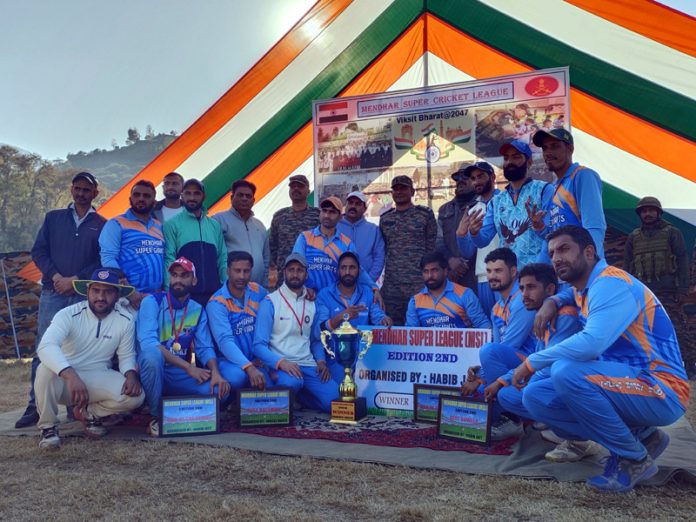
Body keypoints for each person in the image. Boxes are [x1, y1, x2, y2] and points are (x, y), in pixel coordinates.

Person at [513, 225, 689, 493]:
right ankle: (643, 437)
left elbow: (591, 343)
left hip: (662, 388)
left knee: (565, 372)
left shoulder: (610, 283)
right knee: (535, 396)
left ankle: (634, 458)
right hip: (626, 383)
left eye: (564, 249)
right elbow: (568, 294)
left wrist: (531, 362)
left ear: (589, 251)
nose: (556, 258)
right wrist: (553, 301)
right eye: (551, 253)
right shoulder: (584, 288)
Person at [16, 172, 106, 429]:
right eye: (77, 188)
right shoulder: (53, 218)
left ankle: (73, 407)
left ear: (95, 193)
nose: (81, 193)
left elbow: (100, 260)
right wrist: (56, 276)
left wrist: (75, 279)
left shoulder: (101, 223)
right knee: (45, 347)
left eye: (86, 190)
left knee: (76, 349)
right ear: (71, 190)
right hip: (52, 292)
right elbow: (39, 252)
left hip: (81, 295)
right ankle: (35, 407)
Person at [491, 263, 598, 463]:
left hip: (579, 383)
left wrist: (522, 379)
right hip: (556, 379)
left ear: (549, 289)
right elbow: (537, 356)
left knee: (531, 393)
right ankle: (559, 426)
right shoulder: (543, 315)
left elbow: (549, 364)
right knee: (506, 394)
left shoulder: (564, 314)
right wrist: (501, 381)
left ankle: (580, 439)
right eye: (521, 288)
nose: (524, 294)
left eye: (531, 287)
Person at [35, 268, 145, 449]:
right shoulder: (68, 314)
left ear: (117, 295)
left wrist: (131, 374)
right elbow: (45, 346)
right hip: (65, 381)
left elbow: (126, 356)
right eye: (96, 290)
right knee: (45, 369)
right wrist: (70, 375)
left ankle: (90, 414)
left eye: (108, 291)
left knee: (136, 397)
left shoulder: (126, 319)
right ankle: (48, 428)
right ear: (87, 292)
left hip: (97, 376)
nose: (100, 297)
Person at [137, 257, 231, 436]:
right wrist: (189, 367)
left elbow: (205, 348)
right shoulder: (152, 301)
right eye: (174, 275)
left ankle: (176, 406)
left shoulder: (197, 309)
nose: (178, 280)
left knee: (220, 390)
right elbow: (150, 344)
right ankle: (157, 416)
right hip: (150, 369)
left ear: (194, 280)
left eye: (184, 275)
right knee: (151, 356)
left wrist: (216, 373)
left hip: (177, 373)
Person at [461, 248, 536, 440]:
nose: (492, 276)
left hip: (533, 366)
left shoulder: (522, 300)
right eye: (489, 271)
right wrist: (479, 374)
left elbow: (508, 347)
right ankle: (510, 419)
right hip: (512, 364)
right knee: (474, 390)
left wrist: (480, 376)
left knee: (487, 354)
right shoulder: (496, 307)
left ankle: (511, 419)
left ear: (513, 272)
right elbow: (498, 348)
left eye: (498, 271)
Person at [252, 253, 338, 412]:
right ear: (284, 272)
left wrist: (321, 362)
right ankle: (292, 393)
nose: (295, 274)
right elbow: (258, 346)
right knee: (292, 383)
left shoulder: (313, 302)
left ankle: (300, 399)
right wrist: (281, 363)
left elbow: (315, 339)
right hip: (282, 365)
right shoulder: (270, 302)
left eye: (299, 270)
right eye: (291, 270)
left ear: (306, 274)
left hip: (308, 364)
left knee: (334, 401)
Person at [463, 140, 552, 269]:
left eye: (516, 157)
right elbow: (483, 241)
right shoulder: (496, 201)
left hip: (538, 274)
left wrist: (540, 269)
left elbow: (552, 235)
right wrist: (474, 233)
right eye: (506, 158)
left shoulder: (544, 190)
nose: (509, 162)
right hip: (508, 277)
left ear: (529, 162)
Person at [316, 251, 393, 383]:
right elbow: (318, 331)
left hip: (364, 357)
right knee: (340, 395)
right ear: (338, 270)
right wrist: (342, 316)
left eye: (352, 268)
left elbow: (377, 315)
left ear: (358, 271)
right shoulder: (325, 294)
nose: (347, 271)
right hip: (336, 359)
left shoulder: (368, 293)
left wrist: (384, 320)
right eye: (343, 268)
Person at [530, 128, 607, 259]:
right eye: (545, 148)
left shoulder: (582, 175)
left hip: (583, 269)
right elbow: (554, 234)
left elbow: (594, 225)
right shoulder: (555, 187)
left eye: (554, 146)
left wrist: (590, 262)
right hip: (565, 270)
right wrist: (540, 227)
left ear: (570, 149)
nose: (548, 153)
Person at [207, 251, 272, 392]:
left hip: (257, 360)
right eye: (237, 271)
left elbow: (277, 303)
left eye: (246, 271)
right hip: (228, 361)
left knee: (271, 385)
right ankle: (231, 401)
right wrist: (249, 368)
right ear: (228, 271)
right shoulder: (217, 303)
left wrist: (304, 292)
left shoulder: (257, 290)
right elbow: (225, 342)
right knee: (238, 377)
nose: (242, 276)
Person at [380, 175, 438, 325]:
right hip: (393, 288)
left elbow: (431, 246)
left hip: (418, 284)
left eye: (403, 188)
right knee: (392, 330)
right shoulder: (385, 219)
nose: (399, 192)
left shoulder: (425, 215)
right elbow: (385, 249)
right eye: (396, 189)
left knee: (422, 327)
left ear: (412, 191)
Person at [99, 179, 164, 308]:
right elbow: (108, 258)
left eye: (146, 196)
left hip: (155, 298)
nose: (141, 198)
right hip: (126, 300)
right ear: (130, 198)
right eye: (137, 195)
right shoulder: (116, 223)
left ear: (154, 202)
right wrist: (130, 292)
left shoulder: (159, 226)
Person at [292, 196, 378, 294]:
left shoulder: (347, 244)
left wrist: (374, 288)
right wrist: (303, 290)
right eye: (324, 211)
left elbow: (357, 270)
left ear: (340, 217)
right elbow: (297, 265)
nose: (327, 215)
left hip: (334, 300)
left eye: (332, 212)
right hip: (308, 297)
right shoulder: (304, 238)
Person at [163, 179, 227, 305]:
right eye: (188, 193)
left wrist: (226, 289)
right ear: (182, 195)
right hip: (185, 296)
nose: (192, 197)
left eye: (196, 193)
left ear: (203, 196)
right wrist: (169, 292)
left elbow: (222, 258)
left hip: (214, 295)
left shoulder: (214, 225)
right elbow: (168, 259)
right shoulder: (172, 224)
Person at [455, 161, 500, 316]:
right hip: (483, 275)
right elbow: (468, 252)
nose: (476, 181)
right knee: (492, 324)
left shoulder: (506, 201)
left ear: (493, 177)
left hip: (507, 273)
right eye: (473, 178)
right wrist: (460, 235)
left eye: (481, 176)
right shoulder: (473, 209)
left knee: (510, 321)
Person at [405, 252, 490, 329]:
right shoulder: (415, 302)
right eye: (426, 271)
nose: (430, 275)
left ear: (445, 271)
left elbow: (483, 327)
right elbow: (410, 335)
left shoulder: (465, 294)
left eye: (434, 270)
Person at [212, 180, 270, 286]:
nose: (244, 198)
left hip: (257, 290)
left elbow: (266, 259)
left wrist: (264, 286)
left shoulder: (259, 225)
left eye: (248, 196)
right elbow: (212, 255)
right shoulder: (218, 220)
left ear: (253, 200)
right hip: (229, 288)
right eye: (240, 195)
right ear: (231, 198)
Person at [269, 174, 320, 285]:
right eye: (293, 186)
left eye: (300, 186)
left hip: (311, 277)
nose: (296, 189)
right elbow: (272, 246)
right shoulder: (279, 216)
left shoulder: (317, 215)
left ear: (308, 190)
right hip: (285, 277)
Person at [436, 165, 478, 290]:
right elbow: (438, 240)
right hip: (451, 274)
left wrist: (463, 264)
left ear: (474, 180)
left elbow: (484, 240)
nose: (460, 180)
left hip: (477, 274)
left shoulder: (482, 205)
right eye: (457, 178)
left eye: (465, 177)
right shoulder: (444, 209)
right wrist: (450, 260)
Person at [336, 191, 385, 283]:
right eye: (350, 203)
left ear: (364, 208)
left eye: (358, 204)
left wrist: (369, 281)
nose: (353, 206)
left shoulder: (373, 230)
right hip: (338, 284)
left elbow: (379, 257)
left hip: (365, 284)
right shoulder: (335, 227)